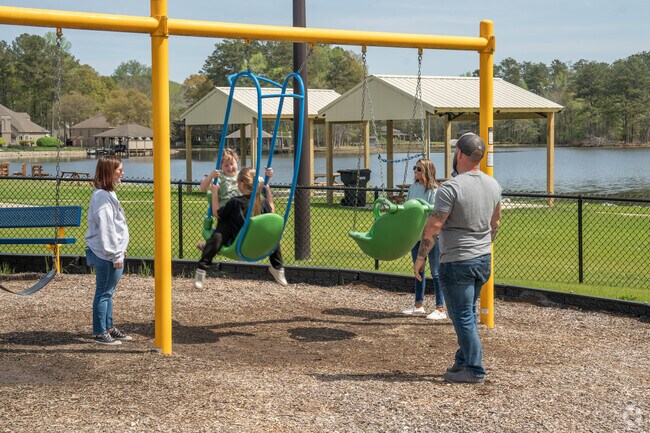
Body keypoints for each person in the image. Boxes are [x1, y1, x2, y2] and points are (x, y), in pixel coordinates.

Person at [414, 132, 501, 384]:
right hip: (482, 259)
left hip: (457, 261)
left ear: (460, 154)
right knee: (469, 313)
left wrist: (421, 257)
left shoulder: (451, 188)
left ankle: (475, 369)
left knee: (461, 316)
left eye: (455, 151)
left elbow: (434, 225)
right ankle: (462, 361)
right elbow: (495, 222)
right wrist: (484, 245)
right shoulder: (493, 185)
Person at [194, 167, 287, 289]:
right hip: (260, 246)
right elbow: (272, 211)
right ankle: (278, 268)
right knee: (273, 238)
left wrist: (215, 192)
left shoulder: (235, 202)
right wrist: (267, 190)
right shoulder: (262, 201)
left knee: (220, 230)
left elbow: (217, 213)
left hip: (238, 244)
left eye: (237, 182)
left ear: (242, 185)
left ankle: (201, 269)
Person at [85, 156, 132, 346]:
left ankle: (109, 327)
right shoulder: (102, 197)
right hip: (105, 254)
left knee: (108, 292)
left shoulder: (107, 194)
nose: (122, 172)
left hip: (110, 253)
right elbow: (106, 229)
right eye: (119, 169)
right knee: (104, 292)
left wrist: (120, 249)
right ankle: (99, 332)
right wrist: (115, 254)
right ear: (108, 172)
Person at [402, 158, 446, 320]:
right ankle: (418, 305)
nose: (415, 171)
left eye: (419, 169)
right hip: (416, 235)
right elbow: (408, 207)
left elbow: (435, 214)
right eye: (415, 168)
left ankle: (440, 308)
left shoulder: (434, 190)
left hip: (431, 237)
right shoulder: (413, 187)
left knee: (436, 271)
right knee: (418, 269)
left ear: (428, 171)